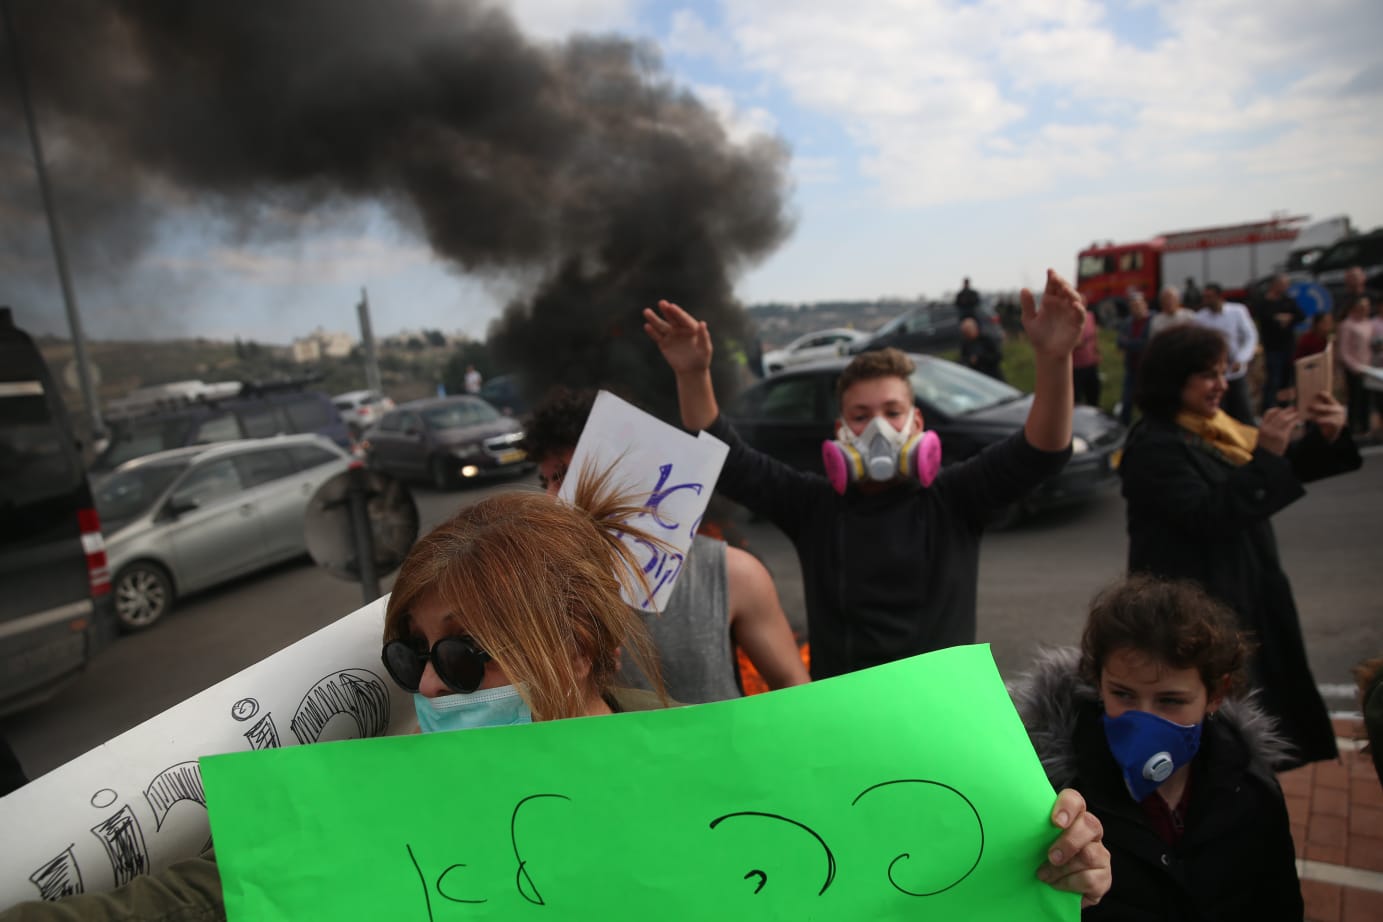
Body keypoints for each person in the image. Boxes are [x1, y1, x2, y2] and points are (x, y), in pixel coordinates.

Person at [0, 474, 1113, 918]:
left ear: (576, 643)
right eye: (412, 657)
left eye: (465, 655)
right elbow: (180, 902)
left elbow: (919, 873)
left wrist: (1049, 858)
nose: (431, 684)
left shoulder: (735, 774)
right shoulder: (371, 806)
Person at [643, 269, 1084, 681]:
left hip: (942, 715)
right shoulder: (813, 507)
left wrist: (1054, 358)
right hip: (848, 722)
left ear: (917, 425)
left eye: (893, 412)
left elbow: (1040, 452)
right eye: (860, 415)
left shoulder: (954, 499)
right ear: (840, 430)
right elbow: (728, 459)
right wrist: (693, 373)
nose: (877, 428)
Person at [1117, 324, 1361, 768]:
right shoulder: (1153, 446)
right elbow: (1209, 515)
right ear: (1174, 379)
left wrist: (1328, 436)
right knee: (1217, 731)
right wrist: (1267, 454)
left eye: (1223, 372)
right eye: (1208, 375)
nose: (1221, 385)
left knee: (1256, 729)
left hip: (1246, 588)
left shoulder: (1217, 429)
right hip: (1201, 612)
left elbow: (1277, 473)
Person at [1010, 575, 1304, 921]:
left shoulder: (1252, 790)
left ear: (1216, 695)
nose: (1142, 721)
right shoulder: (1054, 795)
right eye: (1122, 694)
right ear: (1098, 681)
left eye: (1170, 700)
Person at [524, 387, 810, 703]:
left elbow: (793, 688)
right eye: (546, 481)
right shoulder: (544, 590)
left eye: (566, 475)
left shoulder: (731, 573)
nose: (552, 497)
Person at [1192, 283, 1258, 424]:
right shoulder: (1200, 318)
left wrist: (1241, 358)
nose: (1205, 301)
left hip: (1235, 370)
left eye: (1209, 297)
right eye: (1204, 297)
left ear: (1218, 297)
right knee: (1219, 412)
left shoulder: (1237, 311)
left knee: (1242, 409)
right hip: (1214, 372)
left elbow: (1250, 336)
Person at [1253, 274, 1305, 414]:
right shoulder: (1264, 302)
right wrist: (1277, 319)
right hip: (1272, 348)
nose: (1285, 287)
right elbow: (1262, 317)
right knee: (1273, 380)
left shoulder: (1288, 301)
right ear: (1275, 285)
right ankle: (1268, 410)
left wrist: (1290, 318)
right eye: (1283, 284)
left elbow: (1301, 315)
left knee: (1286, 381)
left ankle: (1284, 409)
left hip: (1288, 347)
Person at [1339, 295, 1374, 436]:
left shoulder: (1367, 323)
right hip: (1355, 368)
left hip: (1369, 367)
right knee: (1355, 399)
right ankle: (1353, 428)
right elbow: (1343, 351)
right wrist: (1354, 367)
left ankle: (1366, 428)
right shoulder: (1347, 325)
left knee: (1367, 399)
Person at [1114, 291, 1151, 426]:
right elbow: (1119, 342)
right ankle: (1124, 428)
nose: (1136, 308)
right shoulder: (1127, 322)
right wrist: (1136, 343)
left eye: (1138, 305)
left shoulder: (1153, 320)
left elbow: (1147, 343)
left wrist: (1129, 343)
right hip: (1132, 368)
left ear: (1145, 305)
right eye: (1133, 306)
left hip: (1148, 369)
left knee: (1148, 401)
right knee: (1127, 401)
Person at [958, 316, 1004, 381]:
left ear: (975, 328)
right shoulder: (966, 344)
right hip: (977, 378)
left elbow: (998, 356)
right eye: (965, 333)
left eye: (968, 332)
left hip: (992, 376)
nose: (967, 335)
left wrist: (980, 358)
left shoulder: (986, 340)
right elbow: (962, 359)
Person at [1071, 308, 1101, 407]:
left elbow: (1095, 336)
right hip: (1076, 366)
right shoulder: (1068, 317)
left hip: (1091, 363)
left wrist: (1097, 352)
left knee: (1093, 394)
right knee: (1076, 398)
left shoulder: (1090, 315)